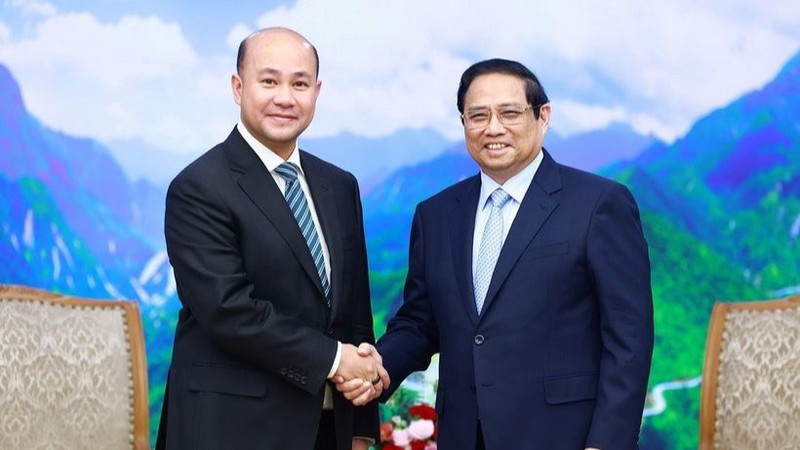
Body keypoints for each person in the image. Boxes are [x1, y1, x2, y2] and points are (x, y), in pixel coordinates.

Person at [339, 58, 654, 449]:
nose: (493, 128)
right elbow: (420, 322)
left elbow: (629, 341)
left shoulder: (599, 204)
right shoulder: (436, 215)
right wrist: (377, 368)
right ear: (464, 124)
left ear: (543, 116)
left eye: (509, 113)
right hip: (464, 435)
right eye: (478, 115)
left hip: (563, 437)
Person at [156, 27, 387, 450]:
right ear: (237, 86)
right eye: (269, 81)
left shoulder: (339, 185)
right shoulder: (199, 187)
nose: (285, 97)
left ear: (317, 91)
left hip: (325, 429)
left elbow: (354, 312)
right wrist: (336, 360)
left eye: (299, 83)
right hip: (232, 428)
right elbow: (229, 311)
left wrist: (360, 423)